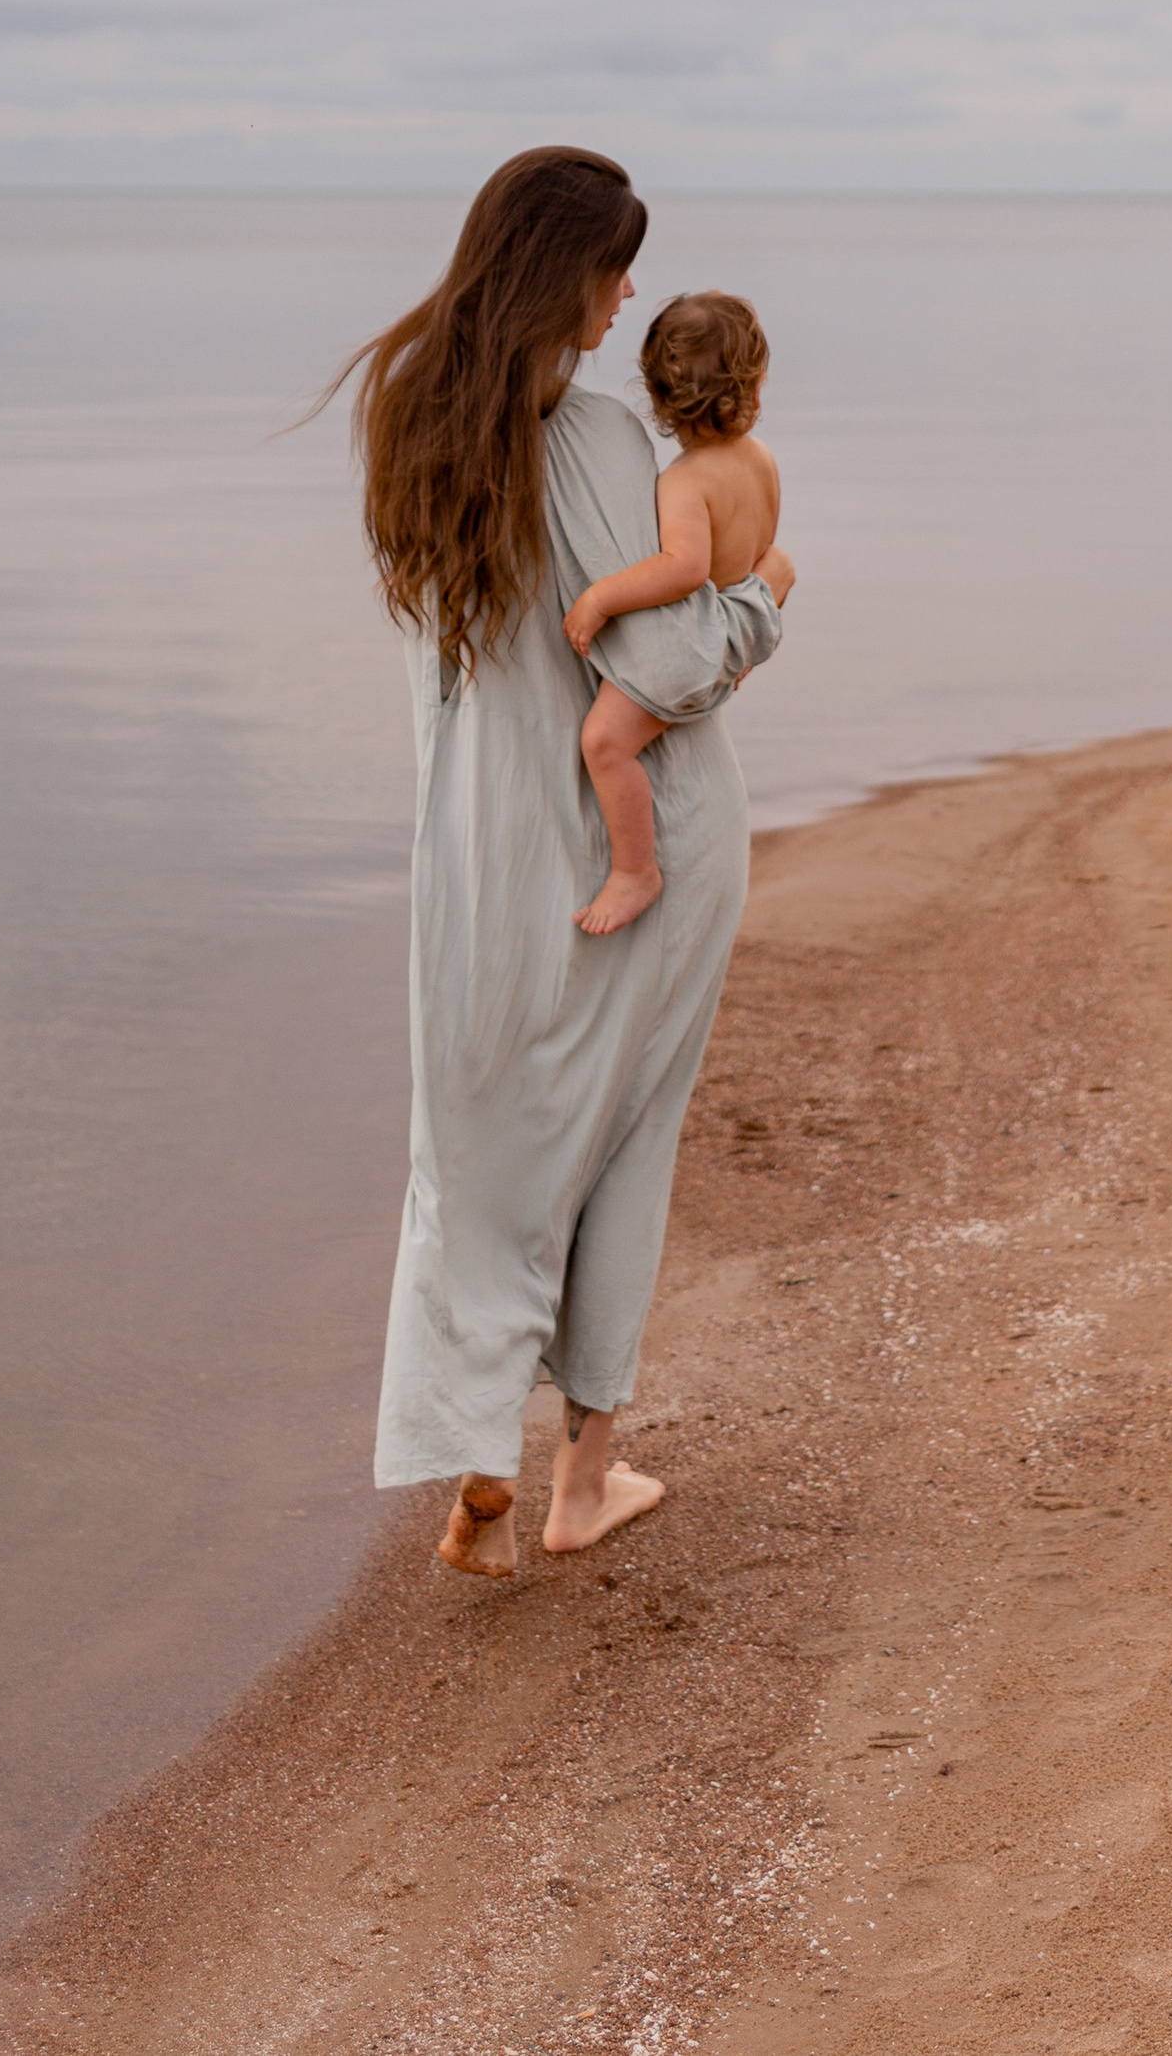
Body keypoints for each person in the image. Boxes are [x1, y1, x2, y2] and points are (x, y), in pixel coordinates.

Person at [340, 149, 792, 1577]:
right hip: (638, 839)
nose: (630, 292)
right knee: (623, 1142)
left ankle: (478, 1453)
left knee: (478, 1151)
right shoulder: (595, 435)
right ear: (567, 274)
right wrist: (765, 603)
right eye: (615, 265)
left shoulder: (410, 418)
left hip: (477, 852)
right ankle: (580, 1484)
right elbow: (667, 659)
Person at [563, 291, 787, 940]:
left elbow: (684, 568)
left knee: (605, 745)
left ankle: (635, 870)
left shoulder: (685, 480)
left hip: (691, 650)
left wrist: (600, 598)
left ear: (657, 397)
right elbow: (765, 550)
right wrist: (740, 651)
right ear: (757, 381)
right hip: (739, 632)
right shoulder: (762, 459)